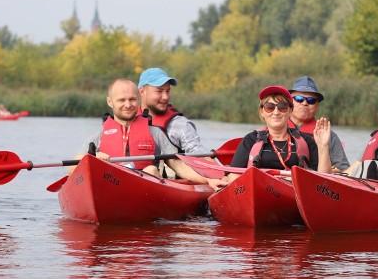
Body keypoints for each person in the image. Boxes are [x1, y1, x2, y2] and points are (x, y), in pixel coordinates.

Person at [70, 78, 225, 191]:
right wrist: (90, 160)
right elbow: (72, 169)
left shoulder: (155, 133)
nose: (128, 105)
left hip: (144, 190)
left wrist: (209, 179)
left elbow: (180, 165)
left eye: (132, 99)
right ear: (110, 102)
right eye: (121, 100)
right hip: (111, 187)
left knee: (151, 170)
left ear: (138, 100)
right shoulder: (98, 137)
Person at [227, 85, 333, 182]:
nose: (276, 112)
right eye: (269, 107)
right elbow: (233, 176)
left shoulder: (307, 140)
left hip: (294, 194)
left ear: (290, 111)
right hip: (259, 190)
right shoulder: (251, 139)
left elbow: (324, 181)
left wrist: (323, 146)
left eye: (282, 107)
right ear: (262, 112)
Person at [138, 67, 207, 154]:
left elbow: (198, 152)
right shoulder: (128, 120)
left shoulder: (181, 125)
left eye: (167, 91)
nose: (165, 97)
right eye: (159, 91)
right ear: (142, 92)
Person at [288, 76, 350, 172]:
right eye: (299, 98)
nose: (304, 103)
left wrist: (333, 171)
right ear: (290, 102)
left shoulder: (329, 136)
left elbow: (345, 171)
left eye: (311, 100)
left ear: (317, 106)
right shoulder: (276, 129)